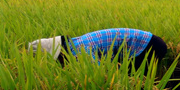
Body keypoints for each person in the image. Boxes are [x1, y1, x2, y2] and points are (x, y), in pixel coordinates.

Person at [29, 28, 168, 70]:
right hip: (149, 43)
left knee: (133, 82)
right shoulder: (74, 43)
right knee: (129, 78)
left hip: (150, 46)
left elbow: (100, 72)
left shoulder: (79, 49)